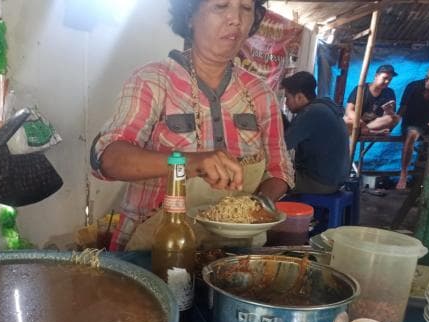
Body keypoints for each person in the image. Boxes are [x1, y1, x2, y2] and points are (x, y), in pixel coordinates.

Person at [90, 0, 294, 251]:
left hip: (235, 251)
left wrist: (256, 207)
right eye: (221, 6)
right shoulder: (154, 80)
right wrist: (189, 162)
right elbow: (109, 159)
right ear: (190, 17)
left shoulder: (261, 94)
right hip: (150, 250)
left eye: (246, 8)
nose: (235, 19)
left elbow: (280, 170)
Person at [281, 71, 350, 194]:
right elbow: (293, 132)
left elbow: (282, 145)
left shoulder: (311, 113)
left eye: (287, 97)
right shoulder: (324, 107)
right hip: (336, 180)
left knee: (271, 178)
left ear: (299, 97)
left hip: (321, 183)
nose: (286, 102)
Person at [396, 64, 429, 189]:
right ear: (427, 78)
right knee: (412, 135)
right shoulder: (413, 87)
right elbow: (403, 108)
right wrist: (393, 121)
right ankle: (404, 173)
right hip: (413, 122)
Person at [344, 64, 400, 134]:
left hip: (376, 124)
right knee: (345, 121)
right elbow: (349, 110)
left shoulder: (389, 92)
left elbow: (389, 118)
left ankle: (366, 131)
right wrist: (362, 124)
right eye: (385, 78)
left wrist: (388, 111)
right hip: (358, 122)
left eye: (389, 80)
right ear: (376, 76)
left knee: (394, 119)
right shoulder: (361, 88)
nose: (387, 82)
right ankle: (372, 131)